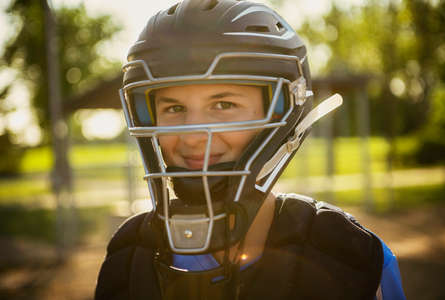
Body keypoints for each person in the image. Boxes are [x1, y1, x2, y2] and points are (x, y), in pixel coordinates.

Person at [95, 0, 406, 299]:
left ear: (281, 112)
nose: (191, 136)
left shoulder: (348, 254)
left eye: (223, 104)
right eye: (174, 108)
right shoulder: (127, 257)